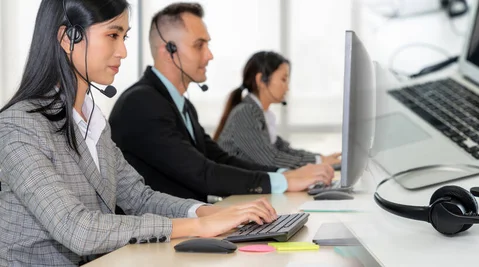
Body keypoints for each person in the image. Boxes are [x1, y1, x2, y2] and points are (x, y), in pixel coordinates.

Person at [0, 1, 278, 266]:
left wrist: (209, 212)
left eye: (124, 37)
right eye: (112, 35)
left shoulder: (93, 121)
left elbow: (139, 198)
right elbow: (77, 229)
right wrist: (198, 226)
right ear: (68, 37)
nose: (123, 51)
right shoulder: (19, 125)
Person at [108, 2, 334, 203]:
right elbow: (203, 173)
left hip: (187, 229)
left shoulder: (182, 105)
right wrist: (283, 181)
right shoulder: (141, 104)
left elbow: (220, 158)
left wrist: (283, 175)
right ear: (168, 51)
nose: (209, 55)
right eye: (199, 45)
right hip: (155, 239)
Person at [213, 51, 342, 169]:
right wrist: (319, 164)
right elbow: (270, 160)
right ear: (261, 80)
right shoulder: (245, 113)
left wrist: (320, 159)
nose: (287, 88)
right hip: (232, 193)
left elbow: (284, 150)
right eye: (283, 80)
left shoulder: (261, 114)